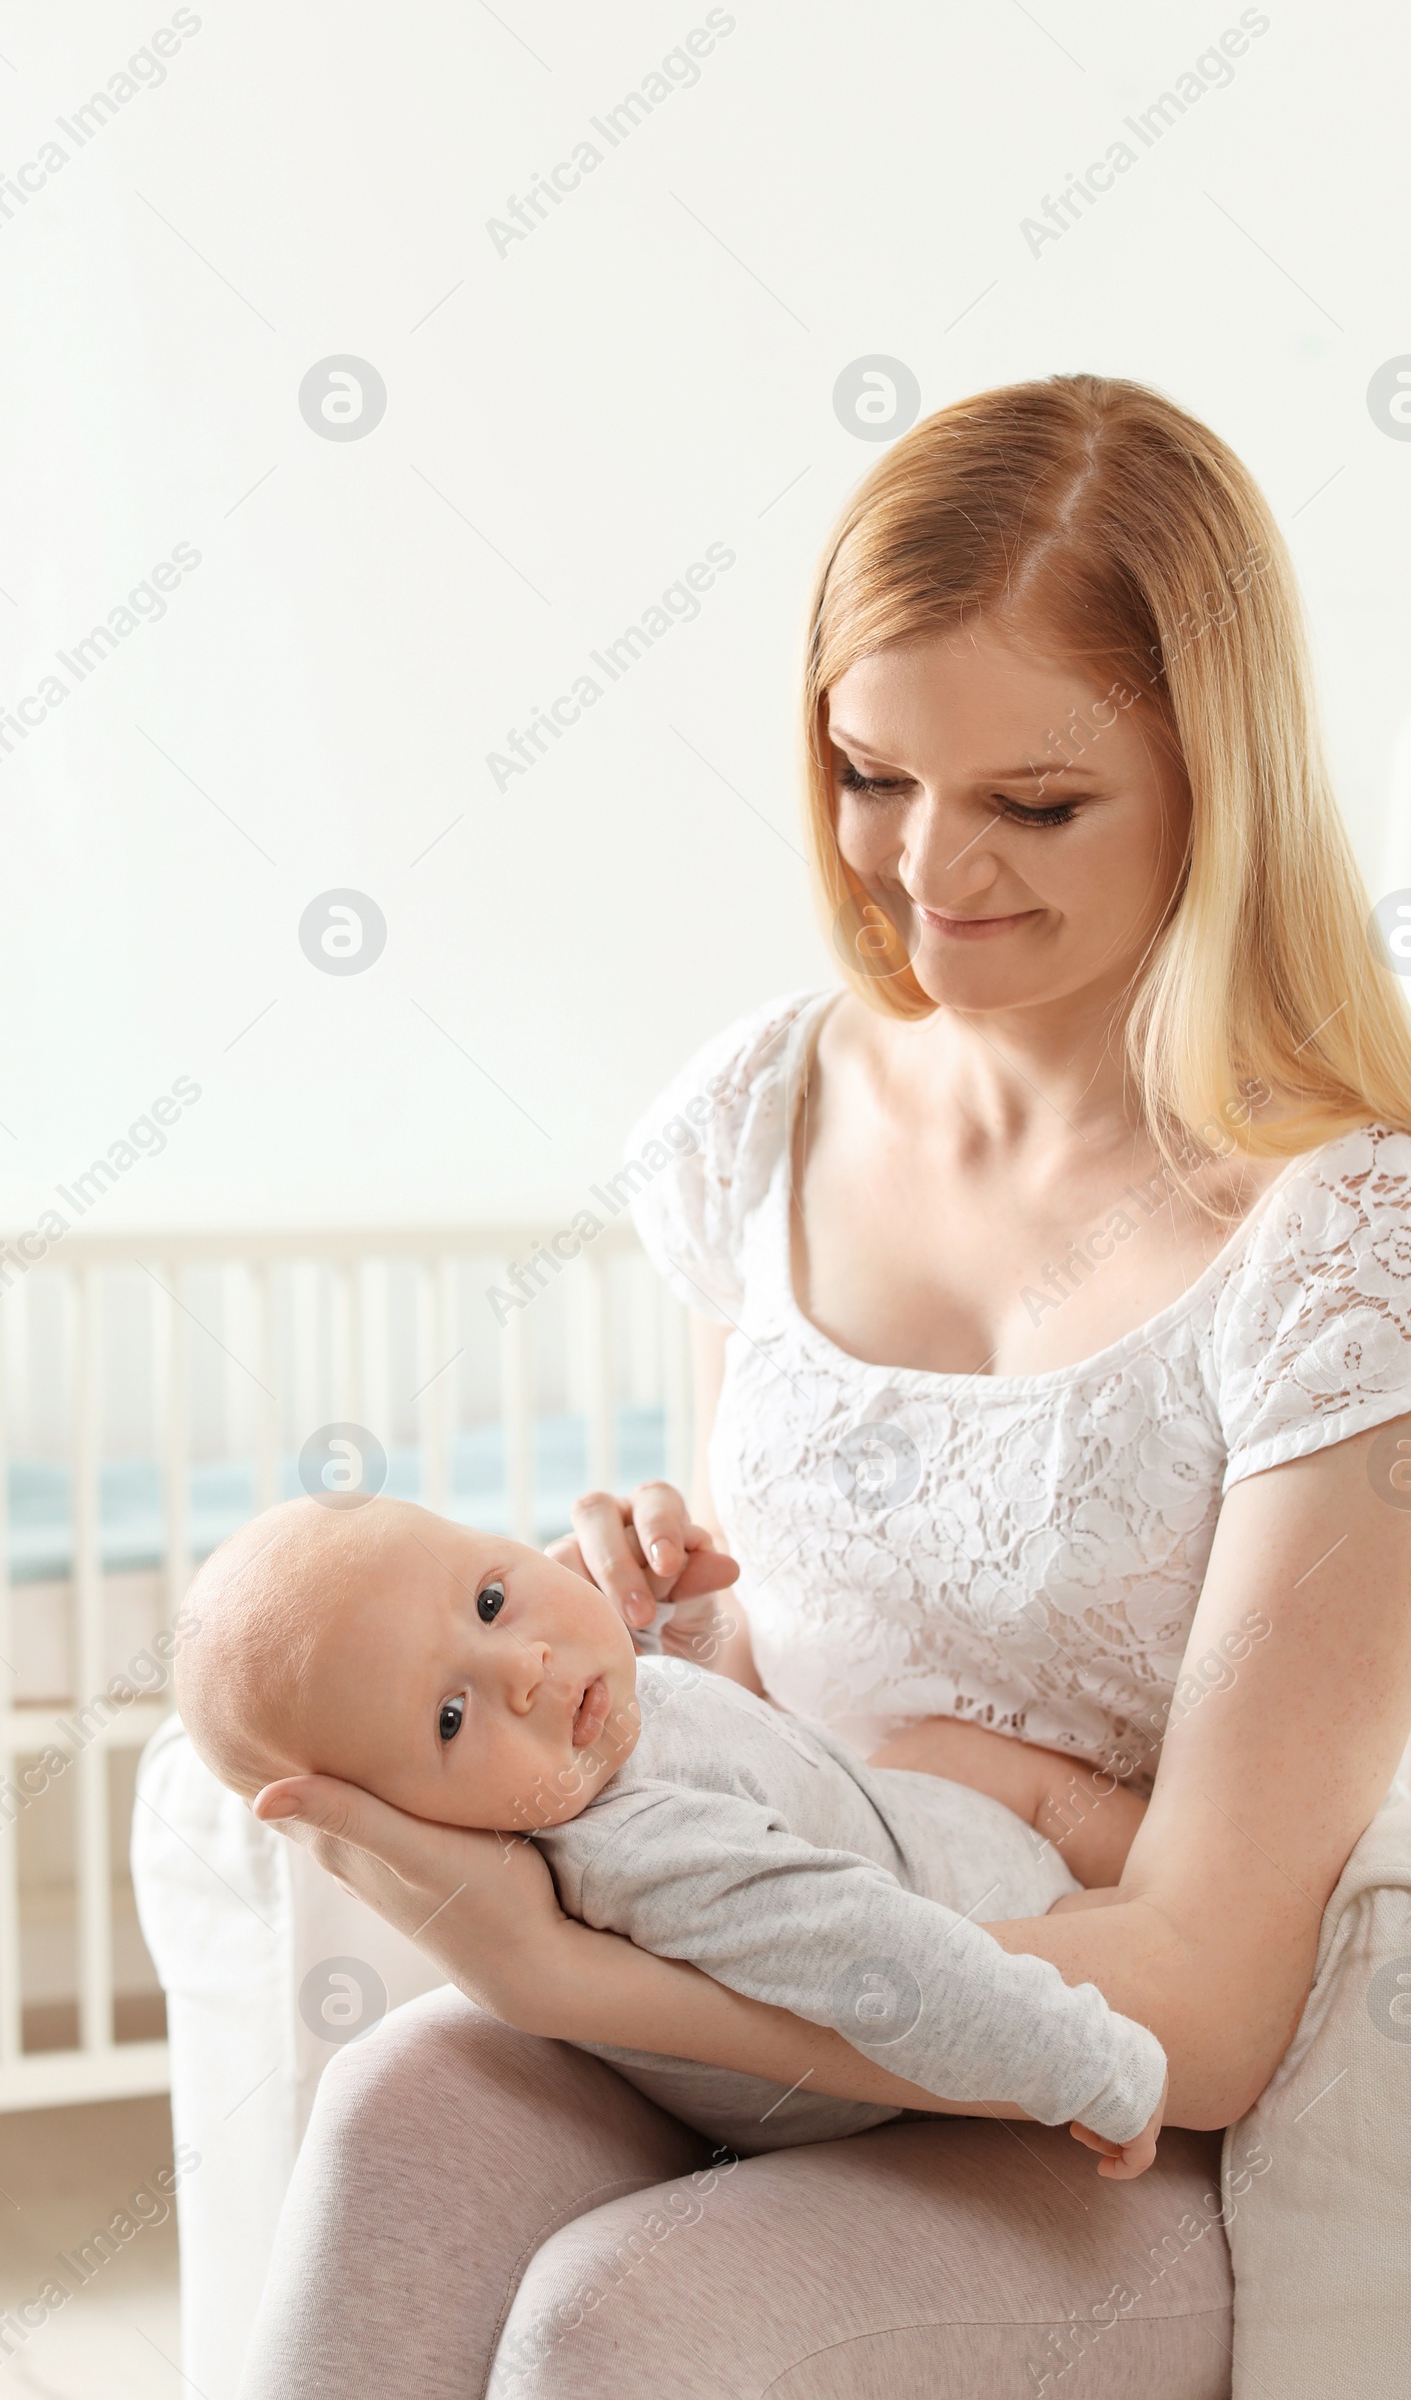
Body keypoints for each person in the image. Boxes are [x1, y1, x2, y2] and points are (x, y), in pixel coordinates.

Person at [235, 374, 1411, 2398]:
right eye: (868, 773)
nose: (921, 871)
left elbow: (1202, 2004)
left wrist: (587, 1971)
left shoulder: (1341, 1248)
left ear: (1215, 783)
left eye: (1030, 804)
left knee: (623, 2322)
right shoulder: (756, 1119)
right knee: (396, 2118)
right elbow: (807, 1694)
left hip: (1104, 2121)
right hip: (802, 1949)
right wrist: (675, 1629)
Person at [174, 1494, 1169, 2173]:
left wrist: (679, 1628)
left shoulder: (587, 1735)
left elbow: (698, 1724)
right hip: (952, 1973)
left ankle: (1182, 1896)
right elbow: (893, 1964)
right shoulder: (644, 1853)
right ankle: (1199, 1926)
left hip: (896, 1832)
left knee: (957, 1754)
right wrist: (1086, 2060)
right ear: (402, 1830)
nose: (521, 1666)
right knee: (1068, 1859)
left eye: (488, 1601)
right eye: (448, 1717)